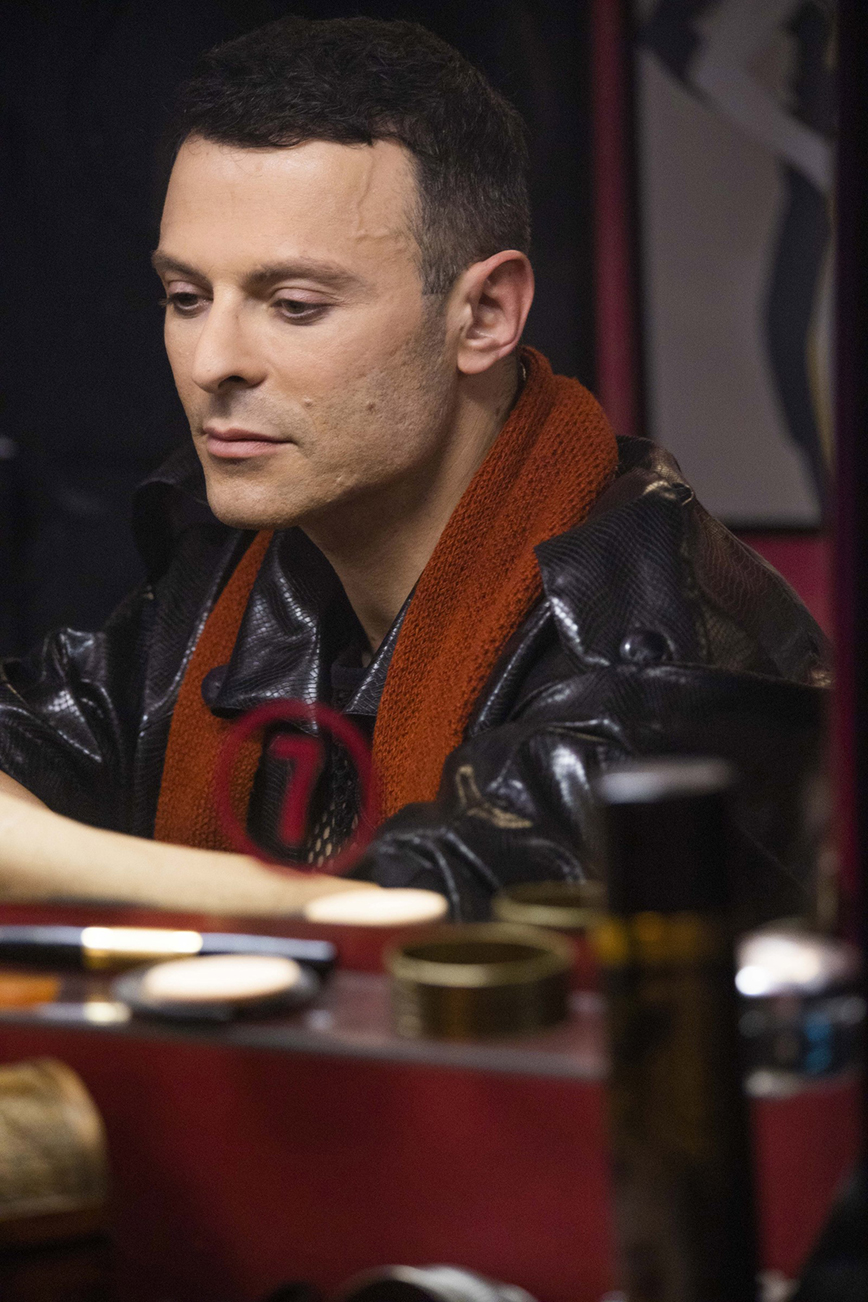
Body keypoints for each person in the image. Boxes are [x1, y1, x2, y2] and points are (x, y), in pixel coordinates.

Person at [0, 16, 829, 921]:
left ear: (485, 316)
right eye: (187, 297)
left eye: (295, 305)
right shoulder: (230, 578)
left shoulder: (649, 648)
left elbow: (451, 922)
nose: (212, 362)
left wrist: (59, 865)